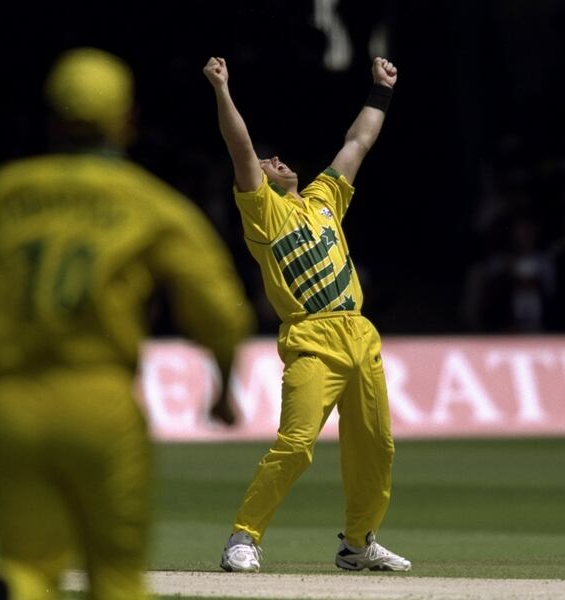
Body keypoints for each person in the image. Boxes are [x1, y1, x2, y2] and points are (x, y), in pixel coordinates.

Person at [0, 47, 255, 600]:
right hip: (100, 403)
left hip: (14, 404)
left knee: (27, 563)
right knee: (116, 579)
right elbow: (221, 310)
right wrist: (223, 388)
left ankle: (16, 586)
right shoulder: (150, 203)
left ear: (50, 118)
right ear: (126, 120)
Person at [203, 55, 411, 573]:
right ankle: (243, 538)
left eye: (278, 160)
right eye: (269, 164)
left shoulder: (323, 199)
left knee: (376, 449)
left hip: (360, 335)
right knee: (295, 444)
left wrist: (380, 91)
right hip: (312, 339)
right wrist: (222, 89)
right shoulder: (264, 214)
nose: (275, 161)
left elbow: (357, 143)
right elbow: (241, 147)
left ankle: (359, 543)